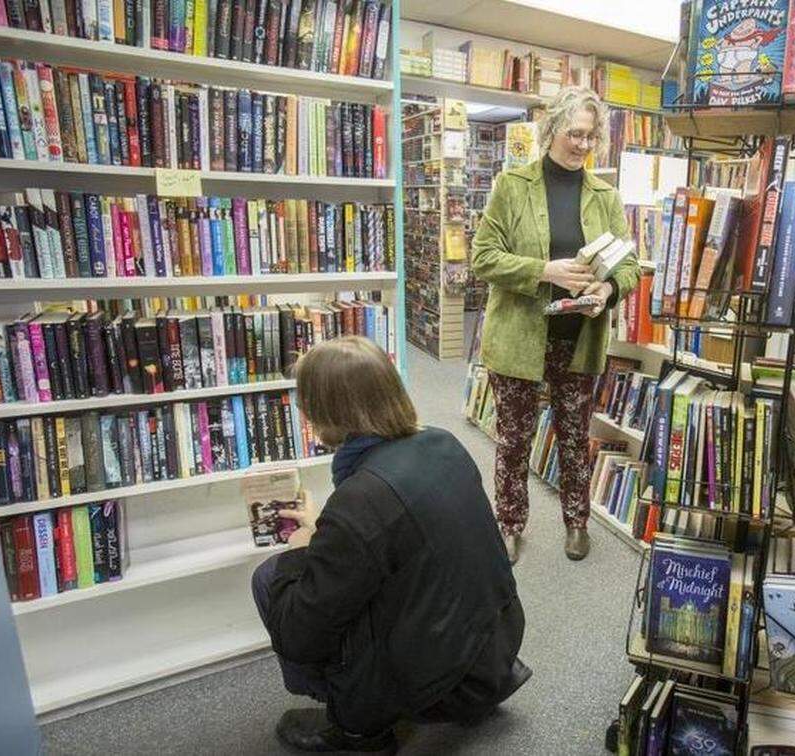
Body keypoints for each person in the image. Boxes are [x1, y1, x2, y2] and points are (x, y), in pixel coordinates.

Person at [251, 336, 530, 753]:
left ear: (324, 412)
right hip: (495, 650)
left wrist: (301, 548)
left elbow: (297, 638)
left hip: (439, 681)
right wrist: (330, 530)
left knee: (270, 577)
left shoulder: (360, 501)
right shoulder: (443, 442)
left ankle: (357, 730)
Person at [471, 85, 640, 565]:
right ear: (552, 130)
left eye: (591, 136)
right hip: (520, 338)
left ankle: (576, 522)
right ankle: (509, 525)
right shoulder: (512, 186)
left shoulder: (605, 196)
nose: (582, 145)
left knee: (572, 436)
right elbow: (484, 258)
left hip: (578, 338)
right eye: (574, 133)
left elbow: (629, 264)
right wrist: (545, 270)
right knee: (514, 439)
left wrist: (607, 291)